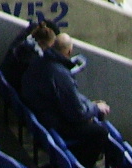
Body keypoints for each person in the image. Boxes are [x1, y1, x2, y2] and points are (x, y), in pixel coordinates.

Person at [20, 32, 111, 168]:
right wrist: (95, 108)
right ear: (69, 51)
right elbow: (77, 113)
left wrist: (89, 105)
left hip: (43, 117)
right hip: (54, 123)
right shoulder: (60, 74)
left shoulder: (39, 61)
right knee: (100, 132)